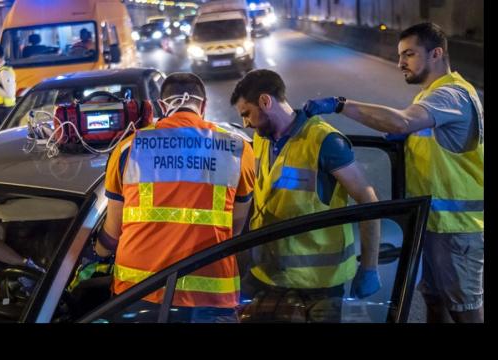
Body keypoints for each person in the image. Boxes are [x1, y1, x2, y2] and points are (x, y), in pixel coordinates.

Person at [303, 22, 484, 323]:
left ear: (436, 53)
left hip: (456, 231)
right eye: (400, 55)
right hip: (434, 227)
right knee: (435, 302)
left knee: (465, 312)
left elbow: (400, 121)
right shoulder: (430, 96)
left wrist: (340, 105)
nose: (400, 63)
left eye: (409, 54)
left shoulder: (450, 95)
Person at [93, 72, 255, 323]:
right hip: (211, 293)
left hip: (139, 291)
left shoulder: (128, 147)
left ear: (161, 105)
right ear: (203, 105)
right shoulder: (238, 148)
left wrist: (96, 253)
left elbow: (113, 231)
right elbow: (234, 229)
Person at [230, 69, 381, 323]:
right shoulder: (262, 141)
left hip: (320, 285)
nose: (245, 123)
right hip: (269, 275)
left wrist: (369, 267)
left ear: (266, 102)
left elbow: (368, 201)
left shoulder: (324, 141)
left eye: (247, 113)